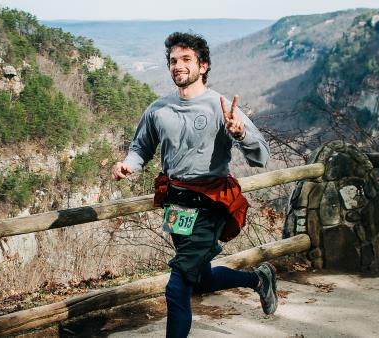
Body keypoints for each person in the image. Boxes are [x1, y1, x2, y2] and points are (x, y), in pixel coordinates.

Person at [110, 32, 276, 337]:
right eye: (173, 60)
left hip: (211, 204)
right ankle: (258, 279)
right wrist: (128, 165)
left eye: (186, 59)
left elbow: (261, 156)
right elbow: (141, 147)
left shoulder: (220, 107)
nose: (178, 65)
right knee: (199, 279)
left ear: (203, 66)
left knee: (177, 287)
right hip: (177, 205)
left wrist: (240, 134)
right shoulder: (158, 109)